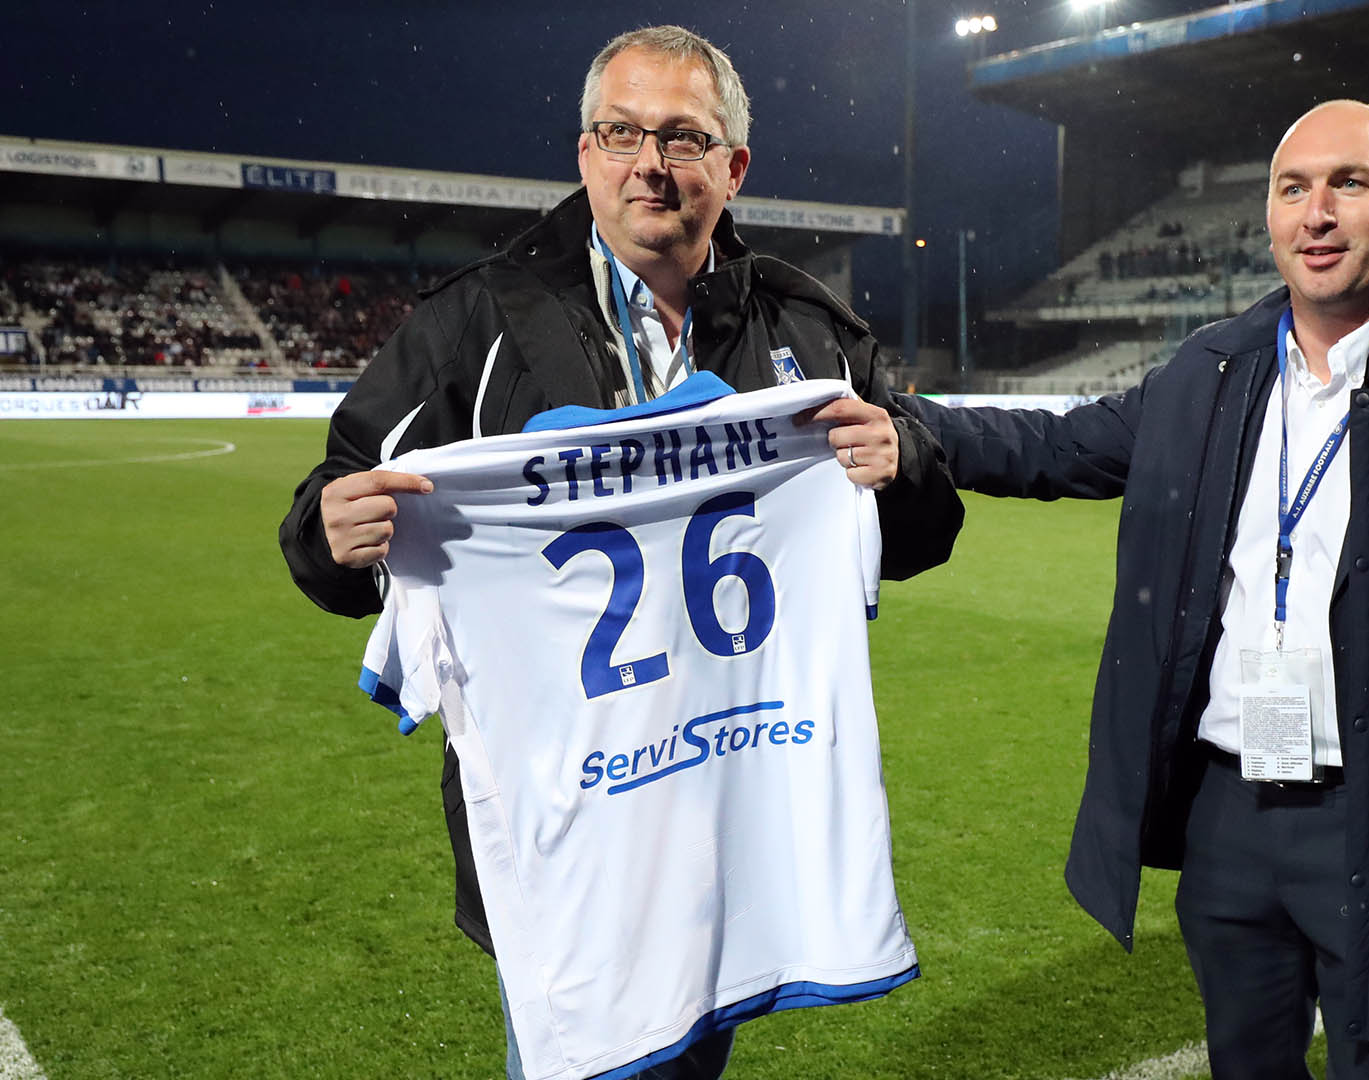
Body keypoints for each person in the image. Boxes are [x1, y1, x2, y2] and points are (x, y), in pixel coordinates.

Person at [896, 100, 1369, 1079]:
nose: (1317, 212)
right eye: (1294, 189)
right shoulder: (1209, 374)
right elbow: (1059, 444)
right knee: (1245, 1065)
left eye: (1350, 183)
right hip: (1228, 821)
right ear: (1271, 220)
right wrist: (916, 428)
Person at [278, 25, 962, 1079]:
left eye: (684, 139)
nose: (651, 163)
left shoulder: (809, 331)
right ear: (585, 152)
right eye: (620, 132)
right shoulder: (480, 320)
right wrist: (330, 537)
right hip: (572, 822)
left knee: (696, 1059)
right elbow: (338, 493)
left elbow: (923, 528)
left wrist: (902, 462)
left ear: (731, 169)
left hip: (737, 795)